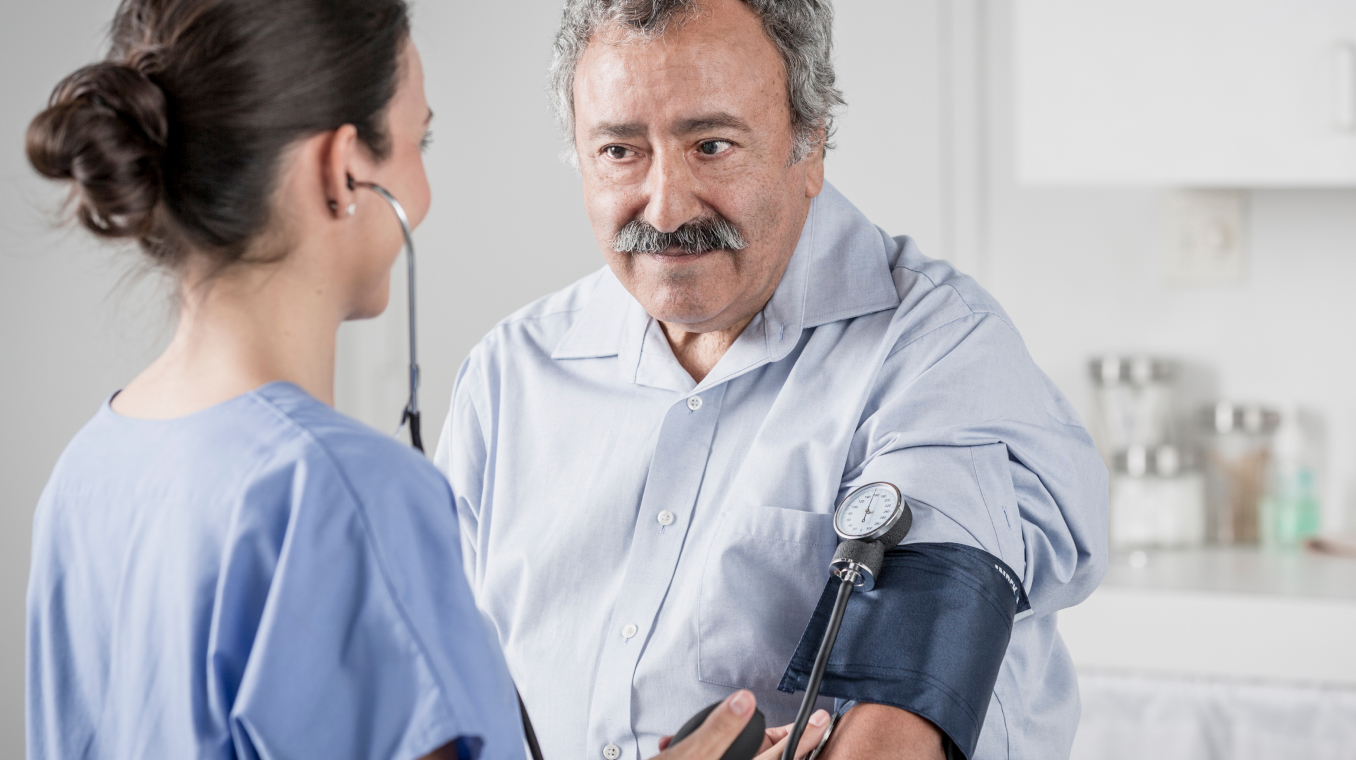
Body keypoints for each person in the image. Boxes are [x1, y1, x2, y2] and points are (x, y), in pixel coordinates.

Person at [23, 1, 828, 758]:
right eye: (419, 142)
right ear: (343, 171)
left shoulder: (87, 472)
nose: (424, 189)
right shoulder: (344, 497)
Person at [433, 0, 1109, 759]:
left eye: (712, 145)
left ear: (810, 141)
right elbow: (443, 707)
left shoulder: (937, 354)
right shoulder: (509, 375)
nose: (665, 207)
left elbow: (906, 704)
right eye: (621, 151)